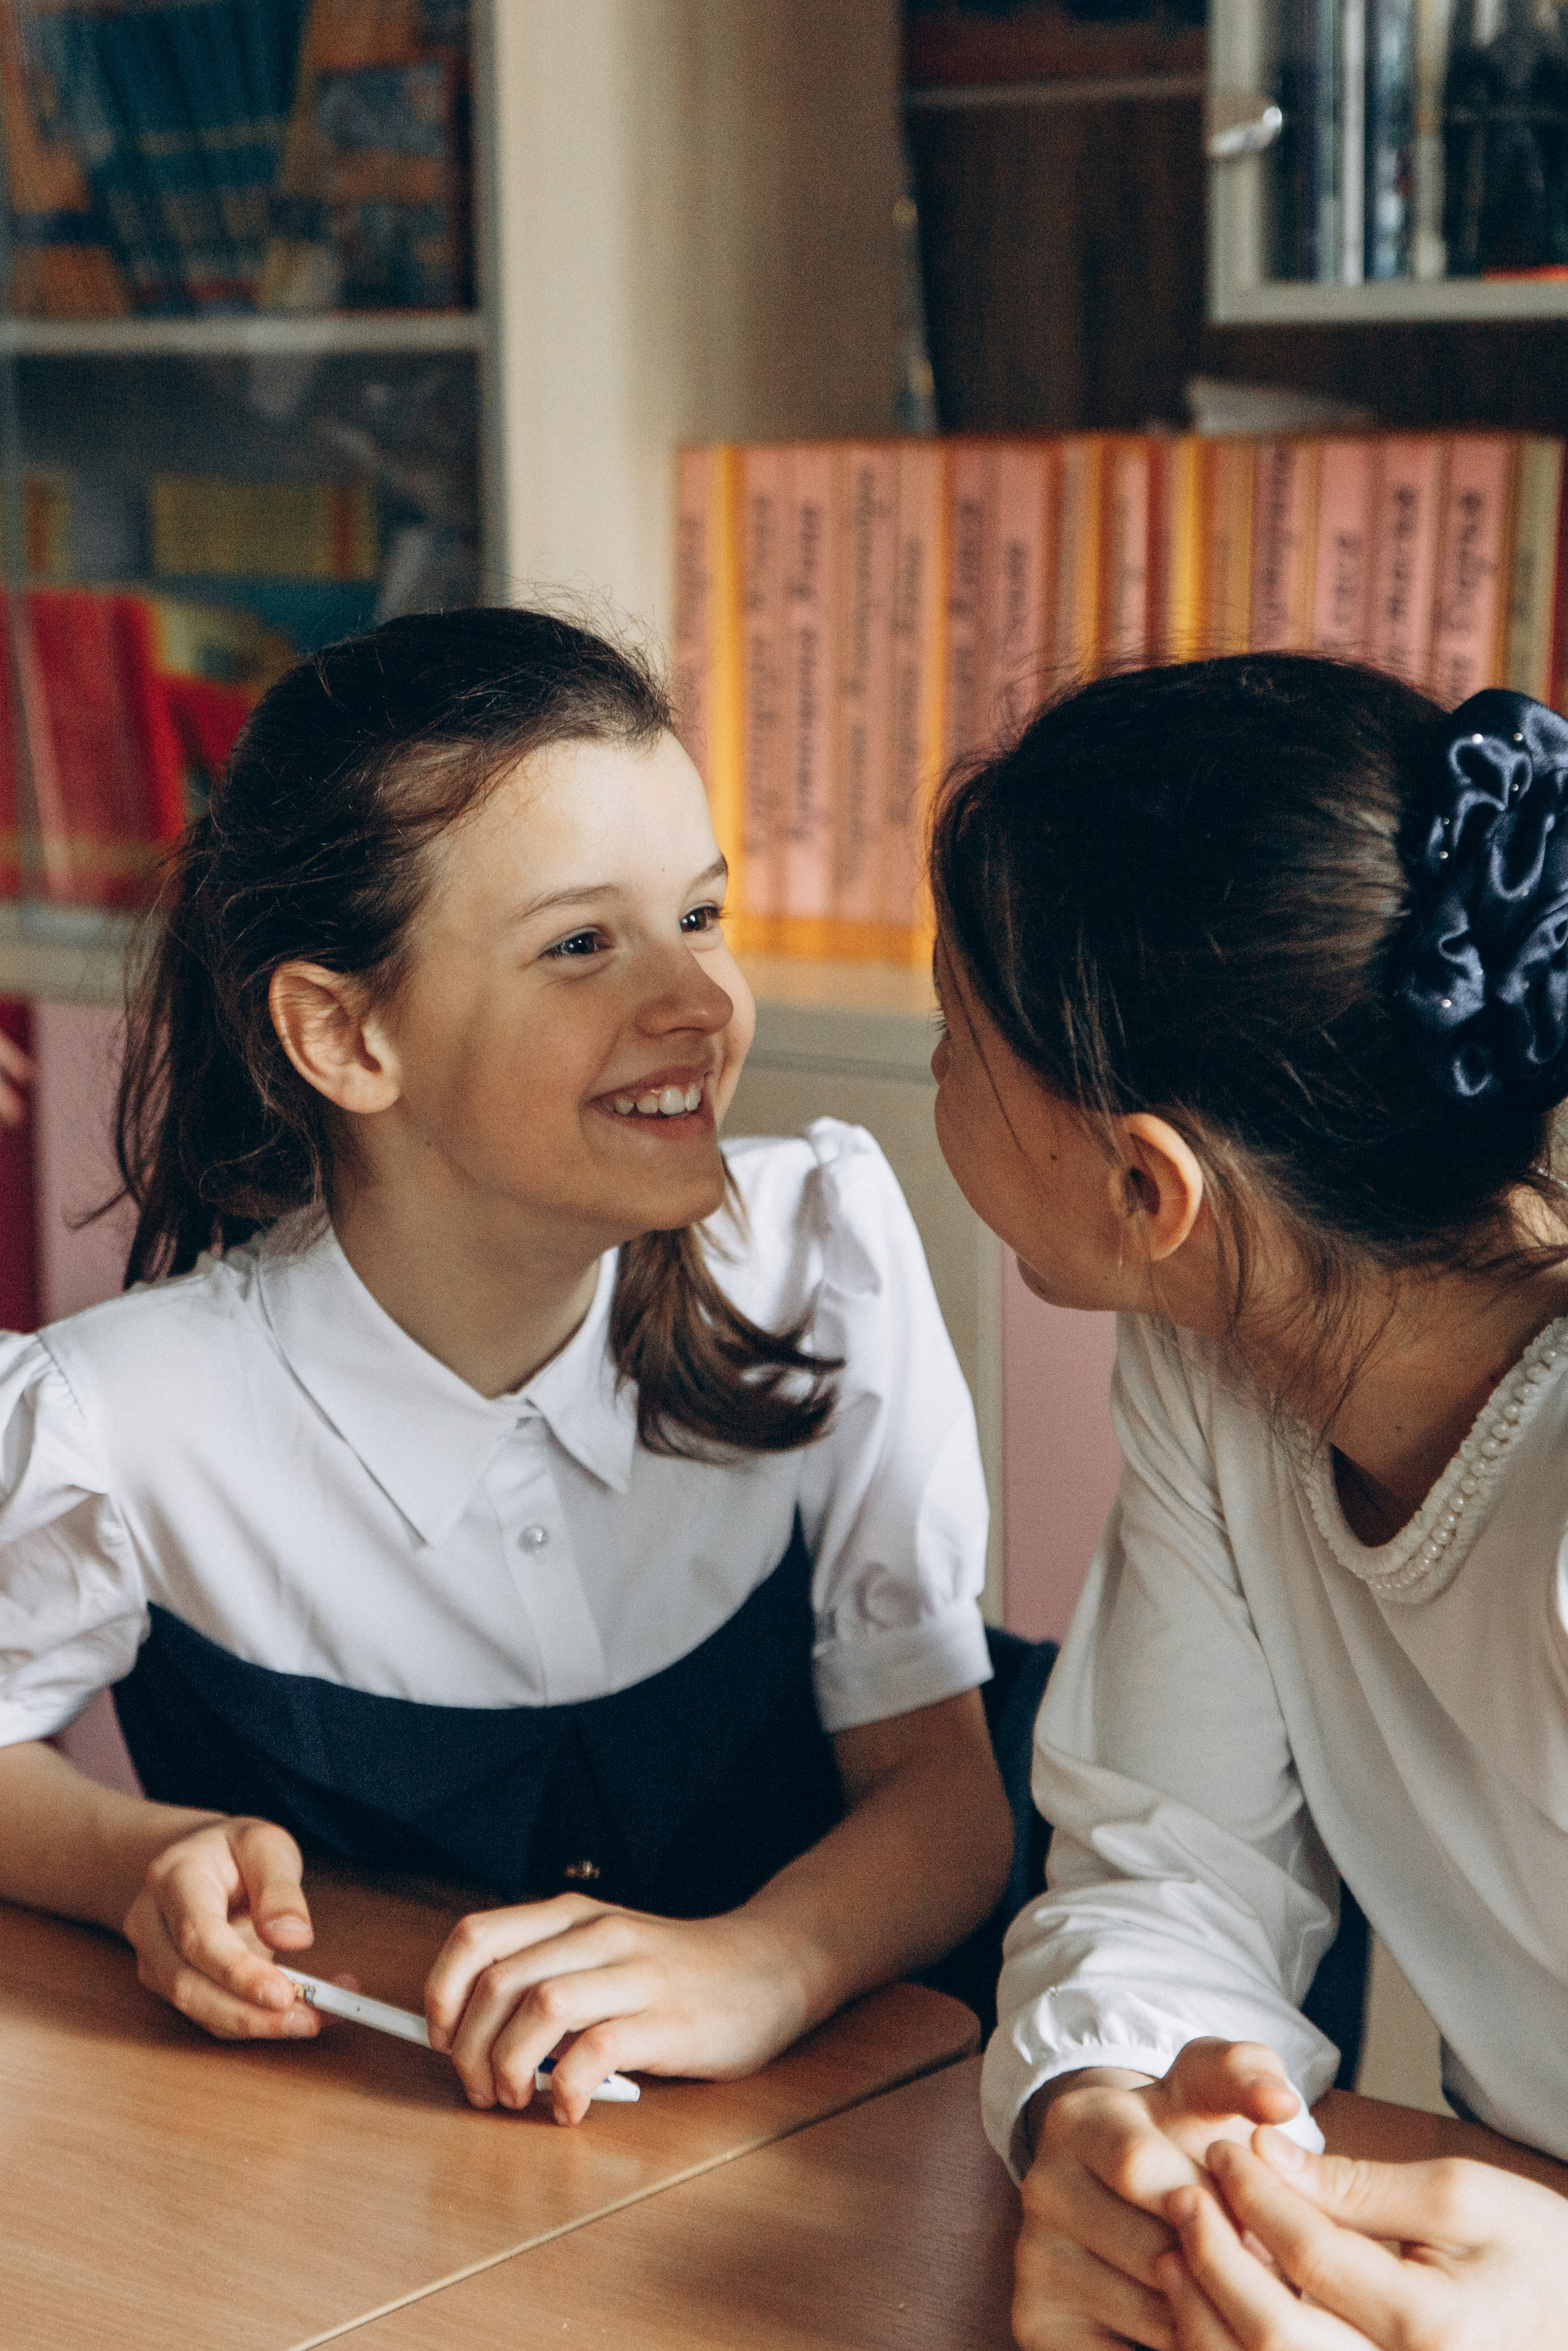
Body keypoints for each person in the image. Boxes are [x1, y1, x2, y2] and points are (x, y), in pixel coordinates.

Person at [0, 606, 1011, 2124]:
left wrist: (756, 1966)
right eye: (582, 944)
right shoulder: (113, 1418)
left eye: (701, 915)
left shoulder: (819, 1248)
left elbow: (943, 1801)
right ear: (343, 1034)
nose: (694, 1002)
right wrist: (133, 1860)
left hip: (823, 2152)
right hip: (369, 2204)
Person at [926, 653, 1568, 2349]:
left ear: (1149, 1183)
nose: (933, 1085)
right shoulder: (1217, 1375)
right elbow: (1171, 1859)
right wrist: (1113, 2115)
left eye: (952, 1040)